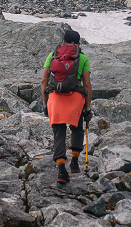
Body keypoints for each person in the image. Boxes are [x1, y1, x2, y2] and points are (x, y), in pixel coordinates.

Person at [40, 28, 93, 184]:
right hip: (75, 98)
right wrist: (87, 107)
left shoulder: (52, 55)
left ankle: (61, 170)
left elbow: (44, 81)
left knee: (59, 131)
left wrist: (45, 102)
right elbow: (87, 84)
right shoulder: (83, 58)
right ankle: (75, 163)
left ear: (63, 41)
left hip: (55, 98)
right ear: (78, 44)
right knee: (77, 127)